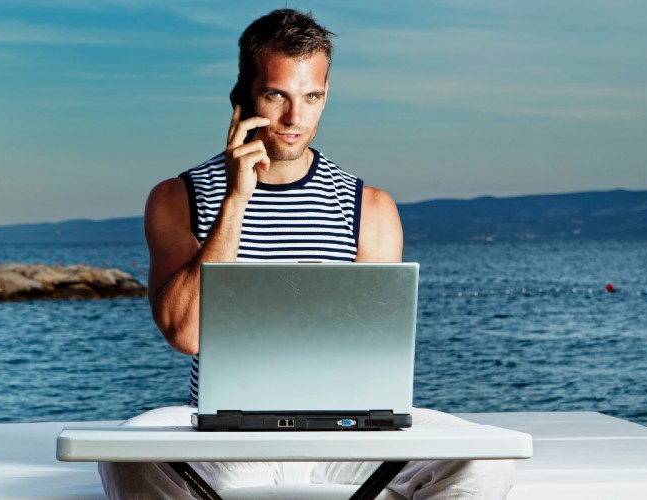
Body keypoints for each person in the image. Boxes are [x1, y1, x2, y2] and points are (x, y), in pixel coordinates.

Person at [99, 9, 514, 499]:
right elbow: (185, 334)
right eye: (277, 95)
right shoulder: (177, 198)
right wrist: (235, 201)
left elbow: (376, 355)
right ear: (242, 97)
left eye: (311, 97)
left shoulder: (371, 208)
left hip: (347, 437)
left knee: (488, 461)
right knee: (125, 462)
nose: (295, 119)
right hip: (229, 439)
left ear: (325, 98)